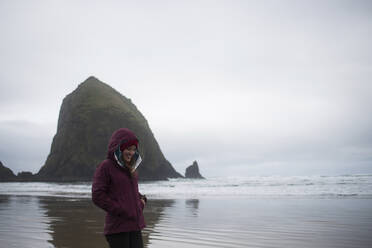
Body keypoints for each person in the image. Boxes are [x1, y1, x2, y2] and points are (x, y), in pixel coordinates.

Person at [92, 128, 147, 248]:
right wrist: (121, 209)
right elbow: (97, 195)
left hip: (134, 225)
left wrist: (141, 201)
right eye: (128, 149)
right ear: (118, 148)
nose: (131, 153)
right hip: (118, 228)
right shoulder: (106, 166)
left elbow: (128, 192)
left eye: (133, 149)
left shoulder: (130, 169)